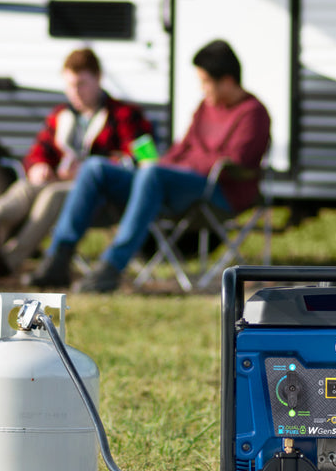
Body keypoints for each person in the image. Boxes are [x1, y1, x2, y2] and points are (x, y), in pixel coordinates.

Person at [28, 39, 270, 293]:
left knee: (152, 173)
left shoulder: (253, 113)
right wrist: (161, 163)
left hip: (219, 192)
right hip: (174, 182)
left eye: (205, 81)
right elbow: (182, 147)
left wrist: (172, 166)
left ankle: (111, 266)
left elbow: (236, 161)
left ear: (228, 81)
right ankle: (59, 257)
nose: (202, 89)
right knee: (95, 168)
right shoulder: (205, 107)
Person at [0, 48, 152, 276]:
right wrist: (38, 166)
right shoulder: (60, 116)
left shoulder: (125, 114)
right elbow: (38, 152)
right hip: (58, 180)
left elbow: (146, 160)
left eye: (81, 84)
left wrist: (91, 168)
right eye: (70, 85)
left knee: (51, 196)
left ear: (98, 79)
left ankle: (9, 261)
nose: (75, 92)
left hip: (100, 196)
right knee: (26, 187)